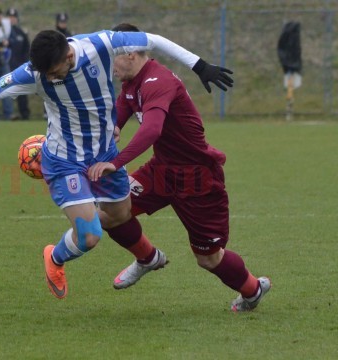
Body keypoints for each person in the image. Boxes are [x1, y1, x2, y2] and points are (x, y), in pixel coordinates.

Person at [0, 28, 232, 300]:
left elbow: (153, 39)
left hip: (103, 154)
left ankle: (145, 258)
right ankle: (55, 257)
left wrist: (199, 64)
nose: (47, 78)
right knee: (89, 235)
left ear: (69, 56)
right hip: (63, 160)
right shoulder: (35, 73)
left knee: (118, 215)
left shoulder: (101, 45)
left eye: (53, 71)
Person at [88, 23, 269, 312]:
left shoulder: (158, 81)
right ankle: (148, 258)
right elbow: (120, 113)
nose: (109, 66)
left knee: (208, 258)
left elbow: (152, 131)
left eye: (112, 58)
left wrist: (116, 162)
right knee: (109, 214)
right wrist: (110, 129)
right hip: (161, 171)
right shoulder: (131, 83)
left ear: (131, 54)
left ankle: (253, 289)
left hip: (197, 178)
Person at [5, 7, 30, 120]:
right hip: (5, 65)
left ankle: (24, 113)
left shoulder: (21, 33)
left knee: (22, 91)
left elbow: (27, 49)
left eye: (13, 17)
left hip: (19, 66)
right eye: (9, 17)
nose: (12, 20)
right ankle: (7, 114)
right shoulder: (3, 33)